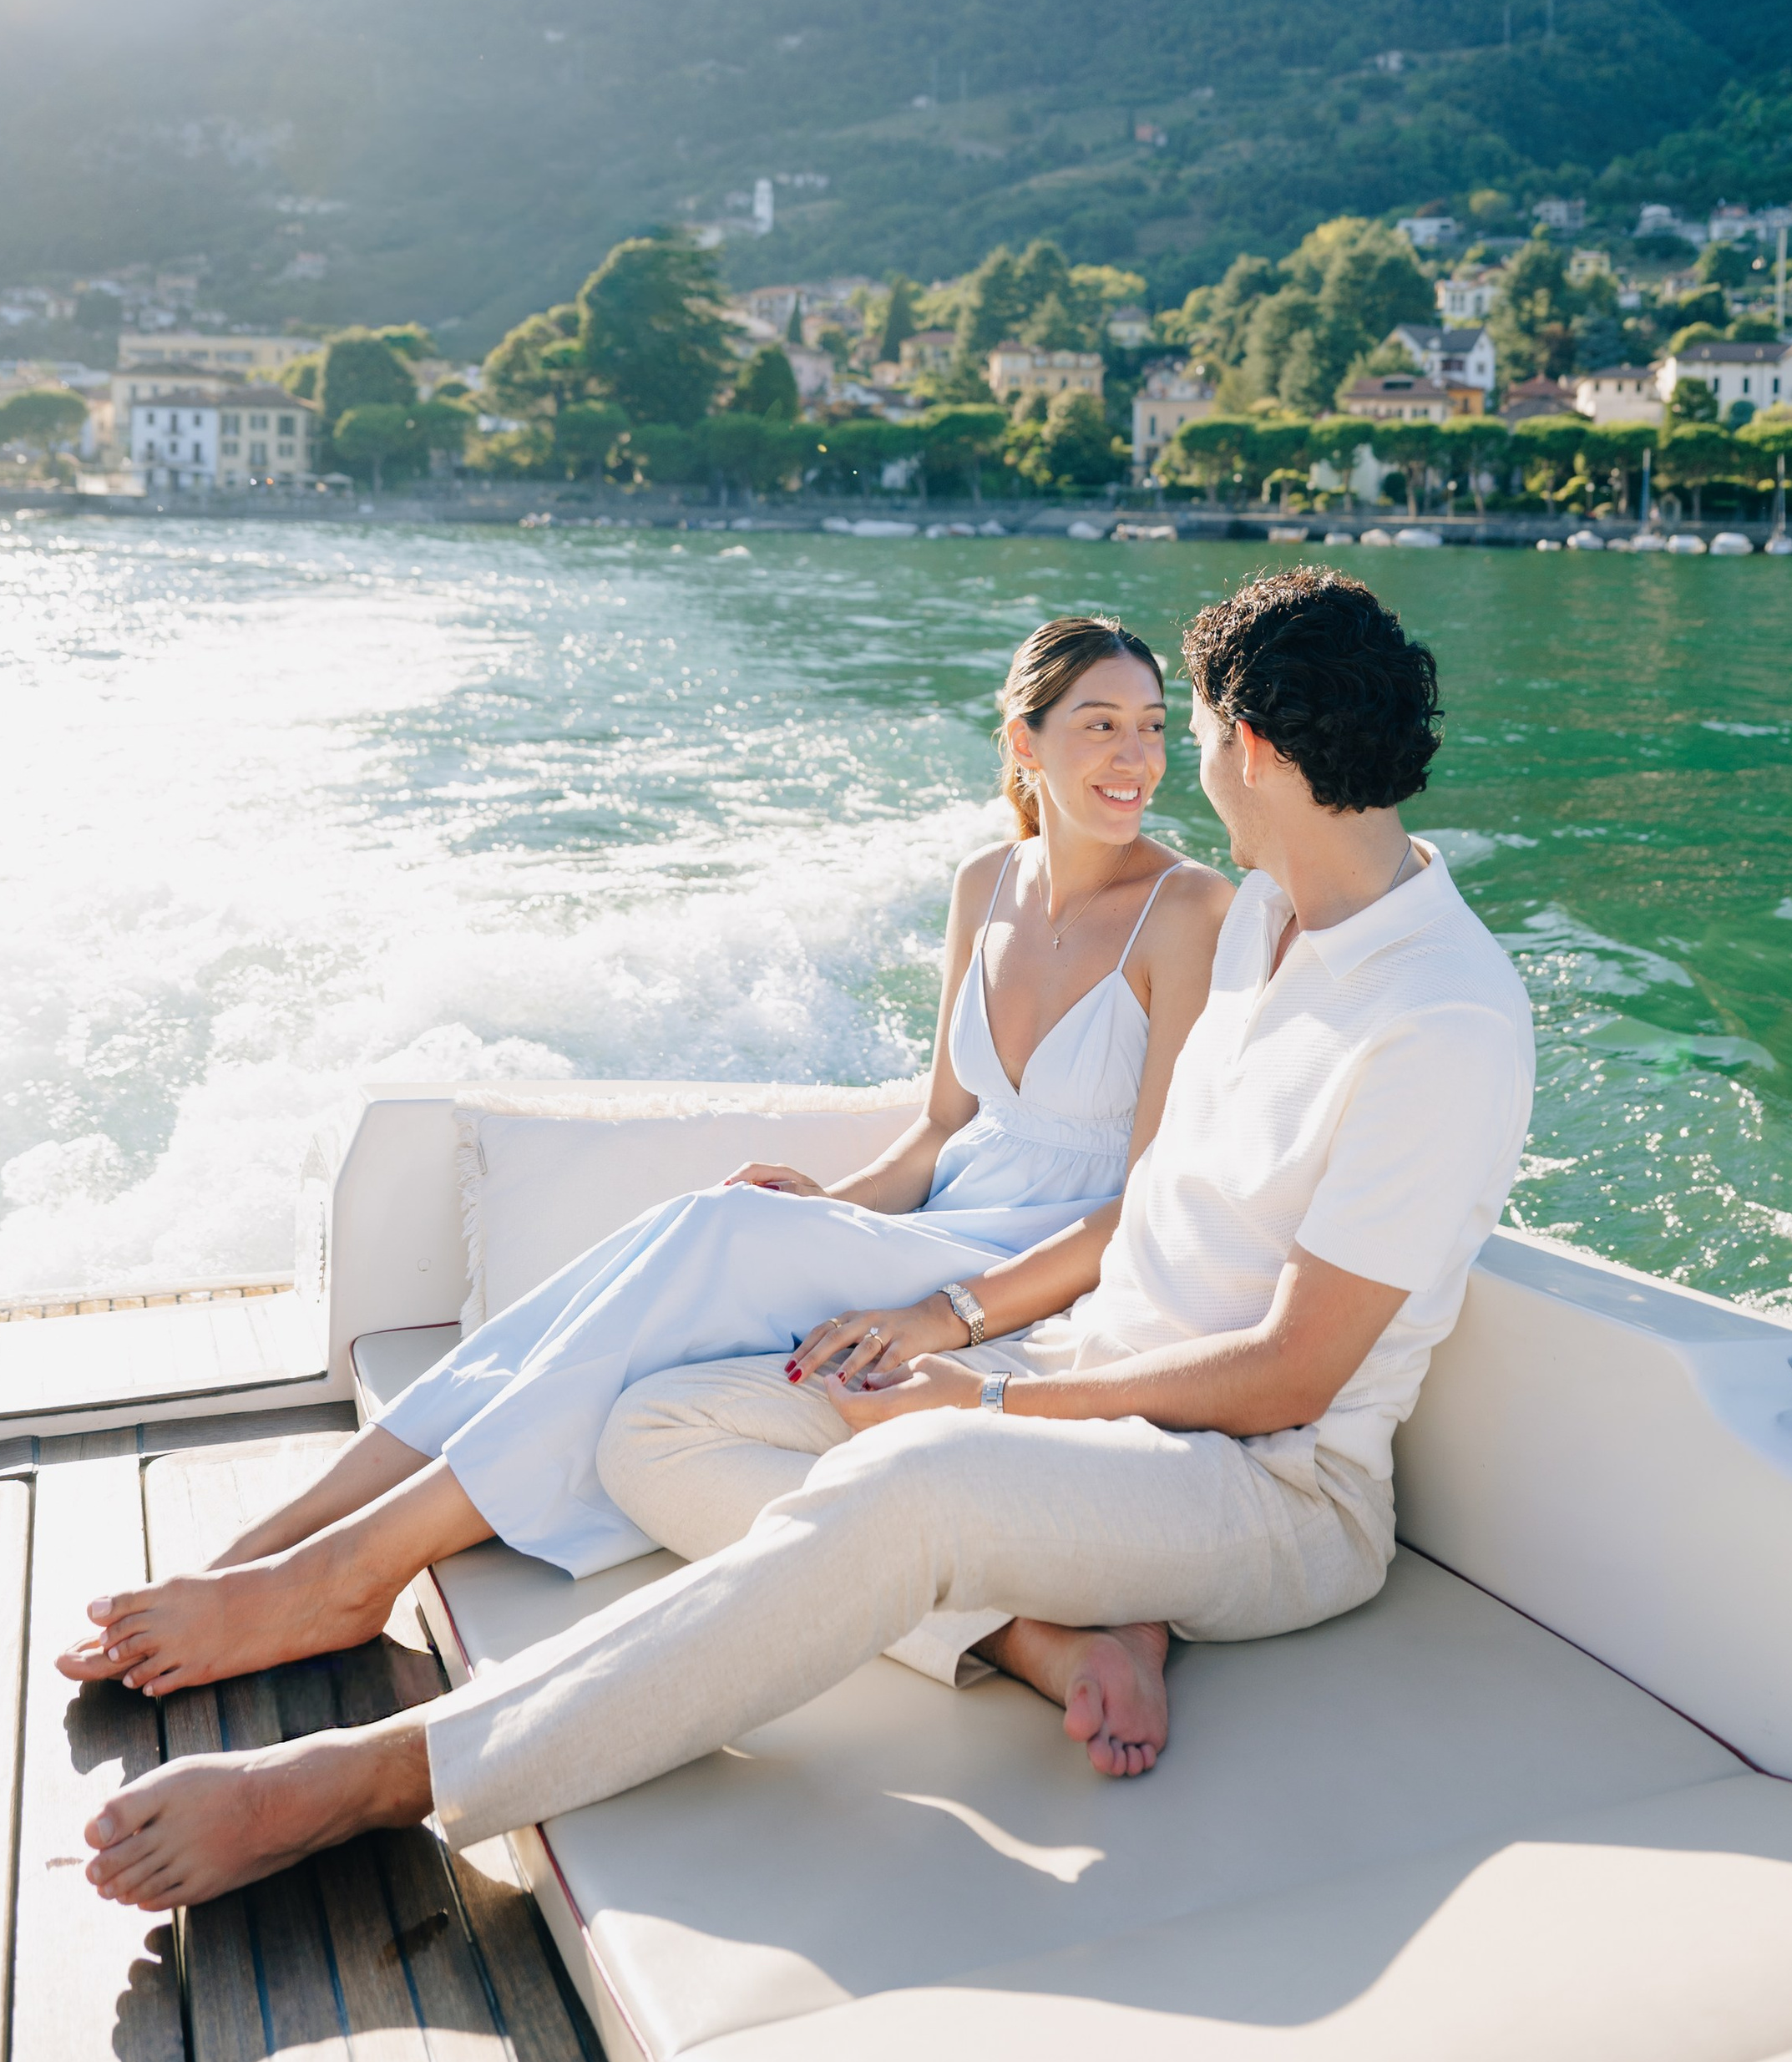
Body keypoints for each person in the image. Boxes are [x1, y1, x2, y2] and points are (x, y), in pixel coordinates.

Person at [79, 564, 1534, 1912]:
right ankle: (1044, 1631)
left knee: (916, 1472)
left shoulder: (1438, 1017)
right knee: (657, 1427)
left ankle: (377, 1779)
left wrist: (990, 1393)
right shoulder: (1264, 918)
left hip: (1266, 1490)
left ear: (1257, 750)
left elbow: (1290, 1376)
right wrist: (983, 1351)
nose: (1174, 768)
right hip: (1094, 1380)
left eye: (1192, 732)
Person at [60, 611, 1228, 1671]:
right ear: (1023, 743)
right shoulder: (987, 883)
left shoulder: (1187, 909)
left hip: (1039, 1259)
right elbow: (941, 1128)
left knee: (708, 1233)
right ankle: (274, 1549)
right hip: (942, 1221)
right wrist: (828, 1209)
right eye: (1099, 726)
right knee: (705, 1226)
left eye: (1152, 728)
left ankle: (338, 1576)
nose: (1134, 759)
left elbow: (1144, 1203)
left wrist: (955, 1313)